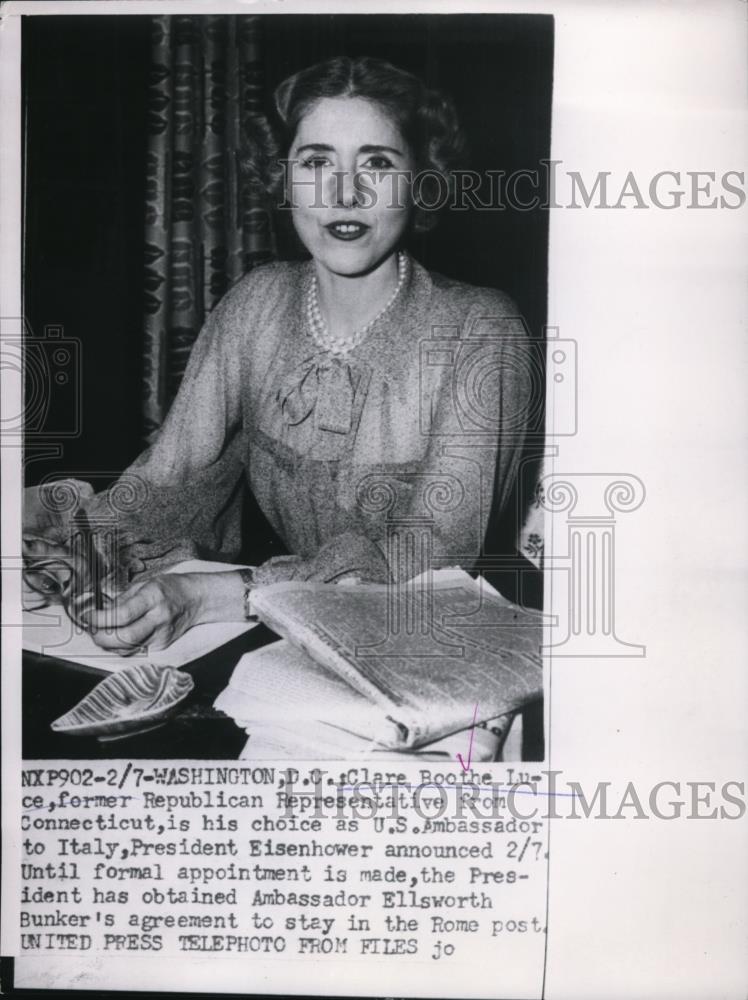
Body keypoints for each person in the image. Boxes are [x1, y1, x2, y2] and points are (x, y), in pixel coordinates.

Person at [24, 55, 533, 657]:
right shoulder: (256, 303)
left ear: (421, 180)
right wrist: (84, 555)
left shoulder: (482, 329)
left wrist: (214, 595)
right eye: (316, 161)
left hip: (428, 654)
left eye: (377, 162)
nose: (345, 192)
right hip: (290, 647)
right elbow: (172, 480)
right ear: (283, 178)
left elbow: (422, 569)